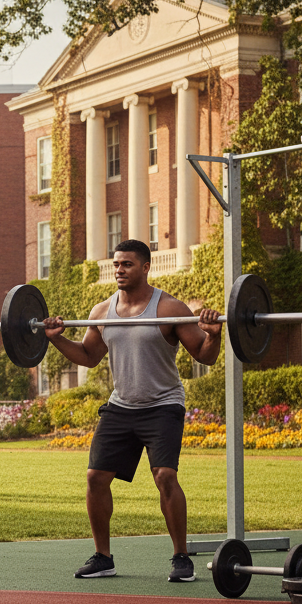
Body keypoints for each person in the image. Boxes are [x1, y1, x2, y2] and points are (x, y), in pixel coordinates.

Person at [42, 239, 222, 583]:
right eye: (116, 264)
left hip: (163, 404)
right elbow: (89, 357)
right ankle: (103, 557)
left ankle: (181, 557)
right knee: (95, 478)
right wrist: (56, 339)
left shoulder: (169, 308)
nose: (119, 270)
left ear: (145, 267)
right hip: (121, 406)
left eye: (127, 264)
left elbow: (204, 354)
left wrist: (213, 335)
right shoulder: (101, 311)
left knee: (165, 476)